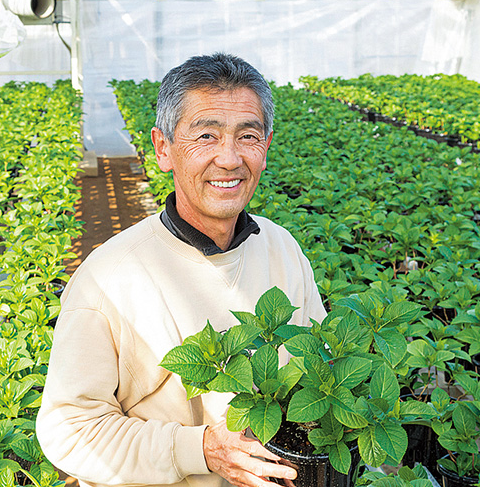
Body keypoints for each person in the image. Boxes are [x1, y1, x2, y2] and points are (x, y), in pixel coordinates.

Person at [36, 53, 327, 487]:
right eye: (206, 135)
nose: (229, 159)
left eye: (247, 136)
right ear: (163, 149)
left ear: (265, 147)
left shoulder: (281, 248)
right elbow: (70, 431)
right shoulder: (109, 277)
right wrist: (202, 450)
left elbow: (322, 371)